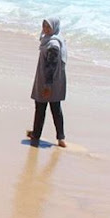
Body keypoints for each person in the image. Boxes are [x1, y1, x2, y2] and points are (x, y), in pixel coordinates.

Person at [27, 17, 67, 148]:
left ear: (54, 27)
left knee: (46, 108)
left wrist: (47, 85)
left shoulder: (53, 44)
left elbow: (51, 65)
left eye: (48, 27)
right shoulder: (49, 40)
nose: (45, 29)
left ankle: (53, 137)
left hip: (48, 81)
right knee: (49, 108)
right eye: (44, 26)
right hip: (51, 81)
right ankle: (56, 137)